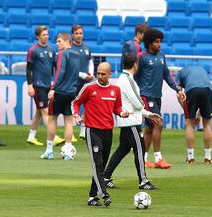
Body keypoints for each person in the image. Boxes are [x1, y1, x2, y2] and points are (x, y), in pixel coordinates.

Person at [72, 62, 130, 207]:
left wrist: (122, 113)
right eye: (98, 73)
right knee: (97, 164)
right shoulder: (89, 88)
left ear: (110, 74)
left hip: (108, 132)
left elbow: (117, 107)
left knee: (101, 166)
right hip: (92, 130)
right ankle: (104, 193)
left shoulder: (115, 90)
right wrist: (77, 115)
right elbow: (76, 102)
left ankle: (92, 197)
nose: (100, 76)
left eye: (103, 74)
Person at [103, 53, 160, 190]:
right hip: (131, 122)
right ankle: (143, 181)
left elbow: (133, 103)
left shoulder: (124, 79)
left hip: (127, 120)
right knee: (139, 149)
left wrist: (147, 114)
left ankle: (105, 177)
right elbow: (137, 103)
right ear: (136, 64)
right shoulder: (127, 80)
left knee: (123, 149)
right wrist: (146, 112)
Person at [135, 28, 186, 169]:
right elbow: (134, 76)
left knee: (150, 128)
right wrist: (136, 94)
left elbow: (168, 76)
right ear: (149, 43)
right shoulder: (142, 57)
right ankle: (158, 158)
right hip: (146, 96)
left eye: (160, 42)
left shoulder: (161, 57)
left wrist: (178, 90)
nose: (159, 44)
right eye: (156, 42)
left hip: (157, 97)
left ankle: (143, 159)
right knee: (159, 123)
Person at [40, 33, 80, 160]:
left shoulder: (63, 54)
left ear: (66, 41)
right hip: (72, 91)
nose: (57, 44)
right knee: (68, 121)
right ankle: (68, 152)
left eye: (59, 41)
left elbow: (60, 71)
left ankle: (49, 151)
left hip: (60, 91)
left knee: (52, 119)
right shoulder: (77, 54)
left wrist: (53, 88)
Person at [25, 26, 64, 146]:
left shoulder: (51, 50)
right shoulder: (33, 50)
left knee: (39, 111)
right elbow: (29, 70)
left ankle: (31, 137)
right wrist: (30, 85)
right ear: (38, 37)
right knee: (45, 111)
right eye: (44, 35)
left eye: (47, 35)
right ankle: (54, 136)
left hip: (48, 85)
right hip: (38, 85)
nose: (46, 37)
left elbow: (56, 68)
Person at [175, 66, 212, 165]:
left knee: (189, 124)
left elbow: (179, 94)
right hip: (207, 90)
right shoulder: (202, 70)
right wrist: (198, 115)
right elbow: (203, 91)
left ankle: (190, 158)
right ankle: (208, 158)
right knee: (207, 125)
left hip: (192, 90)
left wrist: (188, 113)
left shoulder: (179, 74)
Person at [71, 24, 94, 140]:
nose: (79, 35)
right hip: (74, 82)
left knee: (87, 105)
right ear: (72, 35)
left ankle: (83, 129)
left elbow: (90, 61)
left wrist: (91, 74)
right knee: (73, 104)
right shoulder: (70, 49)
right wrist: (83, 75)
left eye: (80, 33)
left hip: (86, 83)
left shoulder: (86, 48)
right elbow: (71, 68)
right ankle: (70, 131)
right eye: (76, 33)